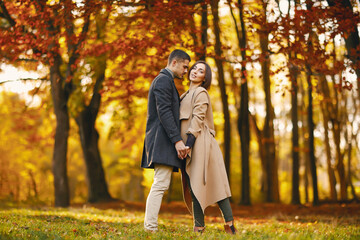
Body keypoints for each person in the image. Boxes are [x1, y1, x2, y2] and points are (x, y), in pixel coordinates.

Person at [180, 61, 237, 234]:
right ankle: (200, 226)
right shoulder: (184, 95)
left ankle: (229, 224)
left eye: (201, 70)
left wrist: (188, 145)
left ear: (205, 77)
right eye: (194, 68)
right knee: (192, 184)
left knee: (214, 185)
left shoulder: (201, 92)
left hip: (200, 144)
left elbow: (198, 119)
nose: (195, 71)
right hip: (187, 145)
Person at [141, 49, 191, 232]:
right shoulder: (163, 80)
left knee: (161, 183)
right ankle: (150, 227)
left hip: (163, 139)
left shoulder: (166, 81)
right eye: (184, 67)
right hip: (162, 140)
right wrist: (177, 140)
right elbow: (164, 112)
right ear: (174, 63)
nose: (186, 71)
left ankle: (150, 226)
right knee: (160, 183)